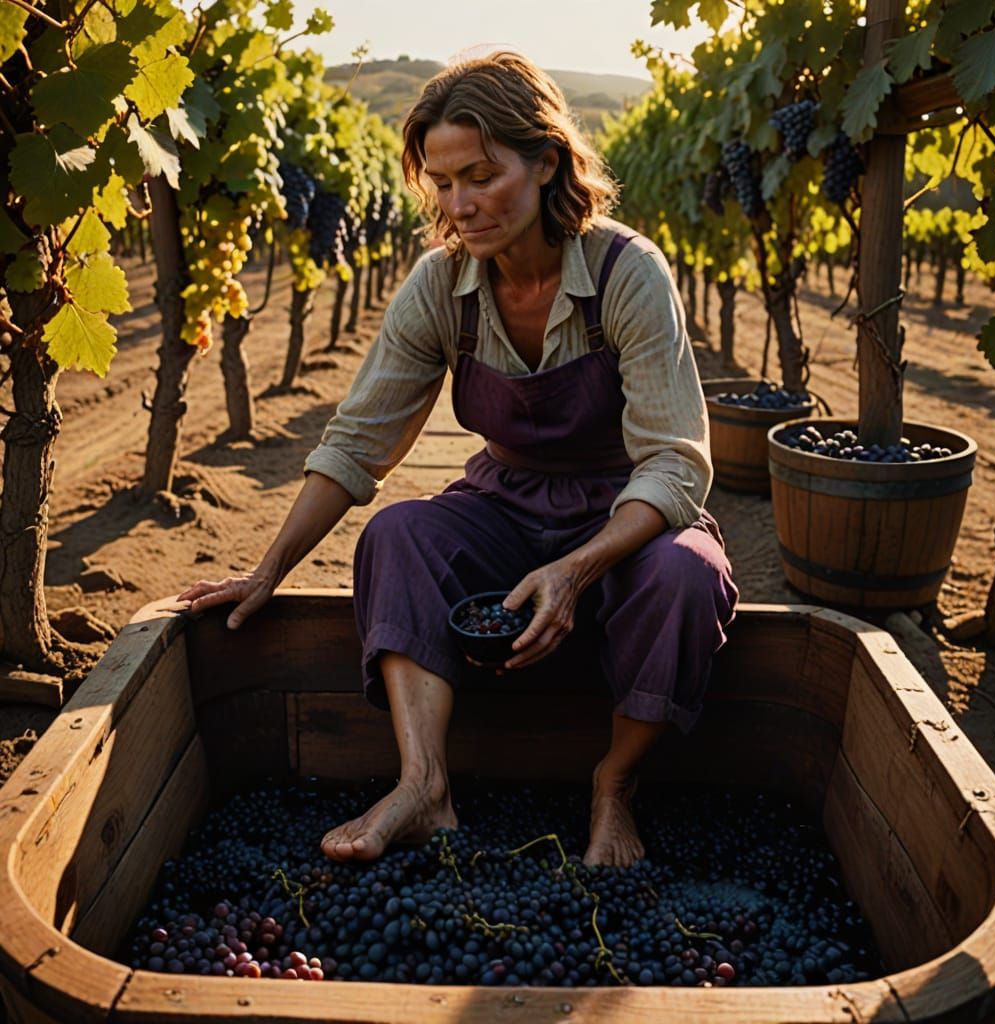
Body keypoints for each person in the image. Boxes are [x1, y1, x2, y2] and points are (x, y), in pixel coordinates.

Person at [178, 51, 738, 869]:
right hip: (508, 504)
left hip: (629, 516)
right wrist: (270, 571)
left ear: (547, 162)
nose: (460, 205)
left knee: (687, 576)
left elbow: (677, 466)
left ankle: (615, 783)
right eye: (442, 184)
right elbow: (358, 439)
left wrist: (576, 571)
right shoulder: (440, 285)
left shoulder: (627, 272)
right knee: (398, 535)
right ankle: (424, 783)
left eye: (480, 175)